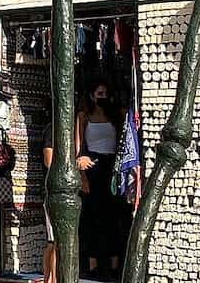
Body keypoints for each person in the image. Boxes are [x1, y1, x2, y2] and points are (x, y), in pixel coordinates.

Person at [75, 81, 127, 281]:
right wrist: (82, 174)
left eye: (105, 93)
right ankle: (93, 264)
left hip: (111, 165)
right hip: (93, 165)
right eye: (99, 93)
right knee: (93, 216)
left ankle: (114, 263)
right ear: (92, 95)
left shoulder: (116, 115)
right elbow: (78, 147)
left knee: (113, 215)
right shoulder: (84, 116)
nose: (102, 97)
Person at [41, 121, 58, 283]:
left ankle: (50, 278)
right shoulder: (52, 131)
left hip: (58, 192)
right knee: (55, 240)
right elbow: (49, 161)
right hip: (54, 192)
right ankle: (51, 279)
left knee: (53, 241)